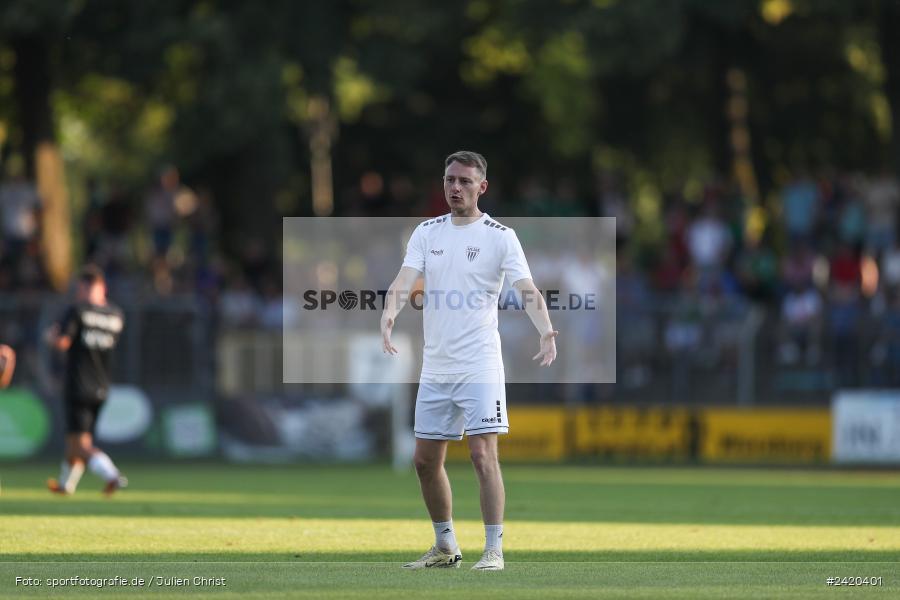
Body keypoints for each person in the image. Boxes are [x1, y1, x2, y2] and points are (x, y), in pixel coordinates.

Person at [380, 151, 558, 571]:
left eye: (464, 181)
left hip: (479, 364)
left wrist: (546, 329)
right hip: (436, 366)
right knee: (424, 461)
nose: (455, 187)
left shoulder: (501, 236)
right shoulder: (427, 232)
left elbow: (526, 288)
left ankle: (494, 550)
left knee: (482, 455)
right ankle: (445, 547)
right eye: (449, 180)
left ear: (482, 187)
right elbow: (404, 280)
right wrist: (388, 313)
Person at [46, 265, 127, 496]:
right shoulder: (116, 314)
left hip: (78, 384)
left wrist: (51, 338)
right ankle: (66, 485)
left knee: (81, 445)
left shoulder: (77, 310)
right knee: (76, 441)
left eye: (81, 288)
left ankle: (112, 475)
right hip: (102, 386)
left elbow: (63, 342)